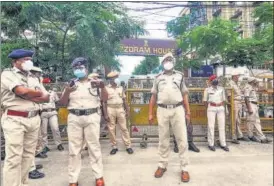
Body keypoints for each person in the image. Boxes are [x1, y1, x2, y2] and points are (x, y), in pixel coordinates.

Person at [1, 49, 50, 186]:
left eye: (29, 59)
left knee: (28, 156)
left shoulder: (33, 77)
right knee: (14, 158)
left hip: (33, 119)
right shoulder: (7, 74)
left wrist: (29, 94)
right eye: (24, 60)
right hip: (15, 119)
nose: (28, 62)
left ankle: (21, 183)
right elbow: (20, 90)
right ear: (15, 62)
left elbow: (46, 98)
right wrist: (35, 94)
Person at [59, 57, 107, 186]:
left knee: (94, 147)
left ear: (86, 69)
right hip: (74, 118)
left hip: (92, 117)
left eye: (80, 68)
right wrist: (67, 92)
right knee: (74, 150)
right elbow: (62, 103)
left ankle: (99, 176)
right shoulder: (71, 84)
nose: (78, 70)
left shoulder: (95, 83)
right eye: (75, 68)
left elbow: (104, 99)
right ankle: (73, 179)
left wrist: (103, 87)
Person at [148, 52, 190, 182]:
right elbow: (153, 96)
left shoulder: (180, 76)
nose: (168, 62)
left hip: (178, 109)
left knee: (182, 139)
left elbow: (185, 94)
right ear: (162, 63)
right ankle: (162, 165)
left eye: (170, 59)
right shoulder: (158, 77)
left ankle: (184, 168)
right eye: (165, 60)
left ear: (173, 61)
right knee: (163, 140)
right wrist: (150, 113)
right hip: (162, 110)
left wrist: (188, 112)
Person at [103, 71, 134, 155]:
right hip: (110, 108)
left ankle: (128, 146)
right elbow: (104, 102)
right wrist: (105, 114)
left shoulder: (120, 88)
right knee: (111, 128)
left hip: (120, 108)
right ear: (110, 79)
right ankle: (114, 146)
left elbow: (124, 100)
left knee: (124, 128)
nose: (116, 79)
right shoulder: (106, 88)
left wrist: (127, 110)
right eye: (114, 77)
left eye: (117, 77)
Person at [203, 75, 229, 152]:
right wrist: (208, 109)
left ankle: (223, 144)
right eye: (214, 79)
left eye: (216, 79)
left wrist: (226, 109)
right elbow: (205, 101)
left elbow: (224, 100)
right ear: (211, 81)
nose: (215, 80)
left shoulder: (221, 89)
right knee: (211, 126)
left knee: (222, 126)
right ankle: (211, 144)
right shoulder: (207, 90)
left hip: (220, 107)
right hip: (211, 107)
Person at [244, 77, 272, 143]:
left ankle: (260, 137)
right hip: (251, 104)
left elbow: (259, 89)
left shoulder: (252, 87)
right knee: (250, 121)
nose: (256, 82)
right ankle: (252, 136)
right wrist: (249, 108)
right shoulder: (248, 87)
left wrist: (260, 87)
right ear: (252, 81)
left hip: (255, 105)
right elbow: (246, 98)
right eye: (254, 81)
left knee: (256, 121)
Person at [40, 85, 64, 152]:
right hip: (43, 112)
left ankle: (59, 144)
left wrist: (56, 109)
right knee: (43, 131)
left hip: (52, 111)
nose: (46, 85)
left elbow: (57, 101)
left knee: (55, 128)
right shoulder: (39, 92)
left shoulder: (53, 92)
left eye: (47, 84)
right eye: (45, 83)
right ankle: (45, 146)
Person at [229, 71, 250, 144]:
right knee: (233, 120)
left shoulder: (237, 83)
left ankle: (239, 135)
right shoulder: (230, 83)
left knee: (238, 120)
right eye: (238, 75)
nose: (238, 77)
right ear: (234, 76)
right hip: (234, 102)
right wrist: (231, 104)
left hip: (239, 102)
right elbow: (229, 95)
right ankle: (233, 136)